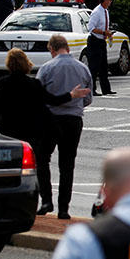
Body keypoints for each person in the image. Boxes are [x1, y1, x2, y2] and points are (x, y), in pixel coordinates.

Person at [35, 35, 93, 220]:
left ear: (52, 49)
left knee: (42, 159)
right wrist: (75, 104)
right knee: (67, 164)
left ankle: (46, 200)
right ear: (67, 48)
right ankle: (63, 208)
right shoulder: (83, 68)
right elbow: (88, 98)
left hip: (51, 119)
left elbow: (39, 95)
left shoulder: (46, 68)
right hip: (74, 120)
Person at [0, 48, 89, 147]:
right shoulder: (33, 84)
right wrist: (71, 95)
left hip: (8, 129)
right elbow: (52, 100)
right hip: (29, 130)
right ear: (26, 63)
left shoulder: (3, 83)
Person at [87, 0, 116, 96]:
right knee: (94, 67)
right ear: (104, 0)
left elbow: (105, 26)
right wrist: (104, 32)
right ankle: (91, 89)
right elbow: (91, 28)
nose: (110, 1)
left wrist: (108, 33)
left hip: (102, 41)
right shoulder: (96, 12)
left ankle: (106, 89)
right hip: (95, 41)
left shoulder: (105, 11)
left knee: (104, 66)